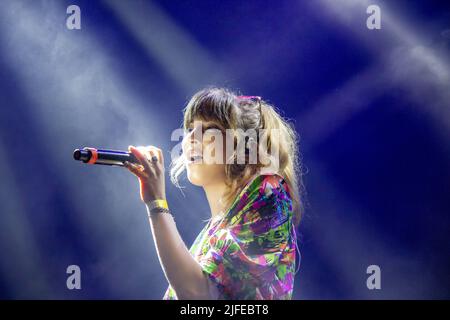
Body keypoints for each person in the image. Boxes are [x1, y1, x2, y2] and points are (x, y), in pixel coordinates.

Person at [124, 87, 303, 299]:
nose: (190, 137)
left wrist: (156, 204)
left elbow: (198, 294)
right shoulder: (211, 234)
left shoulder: (270, 193)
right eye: (190, 128)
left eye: (209, 129)